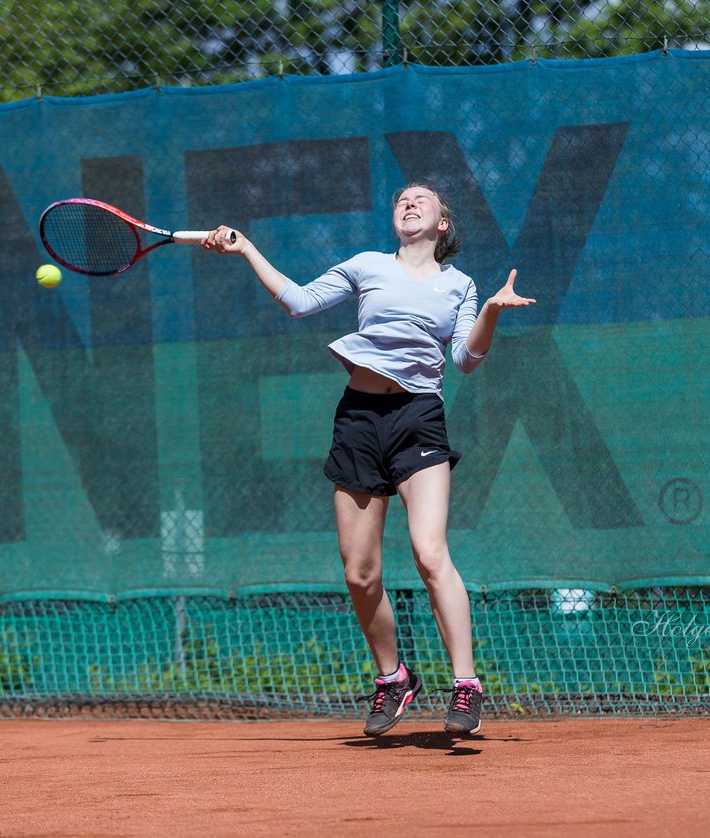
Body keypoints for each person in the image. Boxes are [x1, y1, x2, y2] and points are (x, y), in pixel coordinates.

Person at [202, 183, 535, 737]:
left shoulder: (461, 285)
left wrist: (493, 312)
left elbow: (466, 360)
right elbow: (299, 301)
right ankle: (394, 679)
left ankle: (466, 685)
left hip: (418, 419)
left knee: (430, 555)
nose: (409, 203)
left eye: (423, 200)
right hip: (358, 420)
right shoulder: (366, 266)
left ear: (442, 224)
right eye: (402, 199)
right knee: (360, 574)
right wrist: (246, 249)